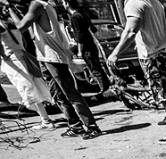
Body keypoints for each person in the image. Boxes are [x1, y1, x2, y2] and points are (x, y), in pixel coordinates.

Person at [10, 0, 102, 138]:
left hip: (53, 56)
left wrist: (10, 8)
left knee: (70, 93)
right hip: (45, 56)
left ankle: (91, 126)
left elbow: (20, 27)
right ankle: (75, 125)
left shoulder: (37, 4)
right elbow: (31, 34)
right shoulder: (40, 6)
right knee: (58, 94)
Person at [107, 0, 166, 142]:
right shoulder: (154, 1)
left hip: (152, 57)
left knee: (164, 95)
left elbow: (130, 31)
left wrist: (115, 53)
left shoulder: (134, 3)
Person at [0, 15, 54, 126]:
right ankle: (45, 118)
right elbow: (24, 41)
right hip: (23, 55)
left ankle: (45, 120)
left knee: (27, 89)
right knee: (34, 86)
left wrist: (3, 56)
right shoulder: (11, 22)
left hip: (12, 59)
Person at [63, 0, 108, 93]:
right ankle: (106, 85)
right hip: (92, 45)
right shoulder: (82, 14)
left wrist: (79, 50)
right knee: (97, 67)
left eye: (63, 2)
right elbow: (93, 29)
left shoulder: (74, 17)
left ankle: (103, 89)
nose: (63, 5)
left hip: (86, 48)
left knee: (94, 68)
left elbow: (80, 36)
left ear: (67, 3)